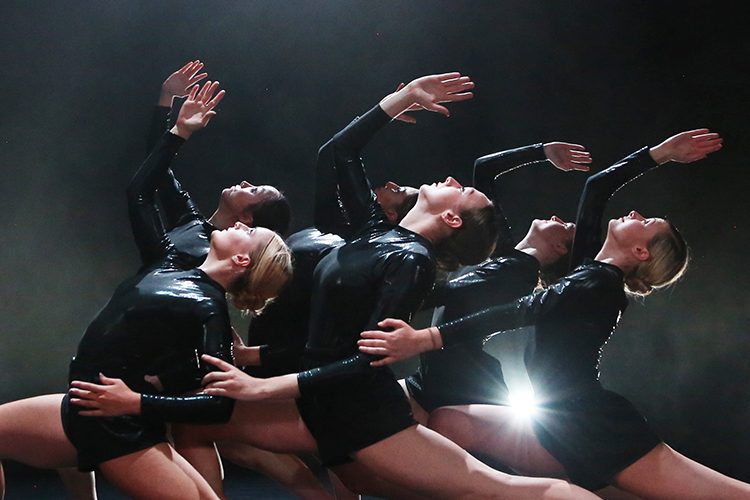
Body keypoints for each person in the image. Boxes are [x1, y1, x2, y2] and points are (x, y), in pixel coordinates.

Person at [72, 73, 598, 500]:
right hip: (323, 404)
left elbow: (363, 358)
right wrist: (398, 100)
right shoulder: (376, 233)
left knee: (502, 489)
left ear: (454, 222)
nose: (454, 181)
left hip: (365, 416)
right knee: (199, 426)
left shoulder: (410, 260)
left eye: (462, 194)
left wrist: (264, 384)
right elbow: (337, 154)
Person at [358, 129, 750, 498]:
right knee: (450, 424)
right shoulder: (591, 273)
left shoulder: (598, 284)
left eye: (645, 223)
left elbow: (522, 310)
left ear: (641, 253)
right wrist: (660, 154)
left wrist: (422, 339)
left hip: (592, 421)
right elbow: (597, 187)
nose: (634, 213)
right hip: (563, 416)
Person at [0, 81, 293, 500]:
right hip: (91, 404)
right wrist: (177, 130)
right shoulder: (170, 258)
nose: (239, 226)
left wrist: (136, 401)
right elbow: (140, 191)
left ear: (243, 261)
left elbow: (217, 407)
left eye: (250, 231)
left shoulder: (209, 307)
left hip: (117, 422)